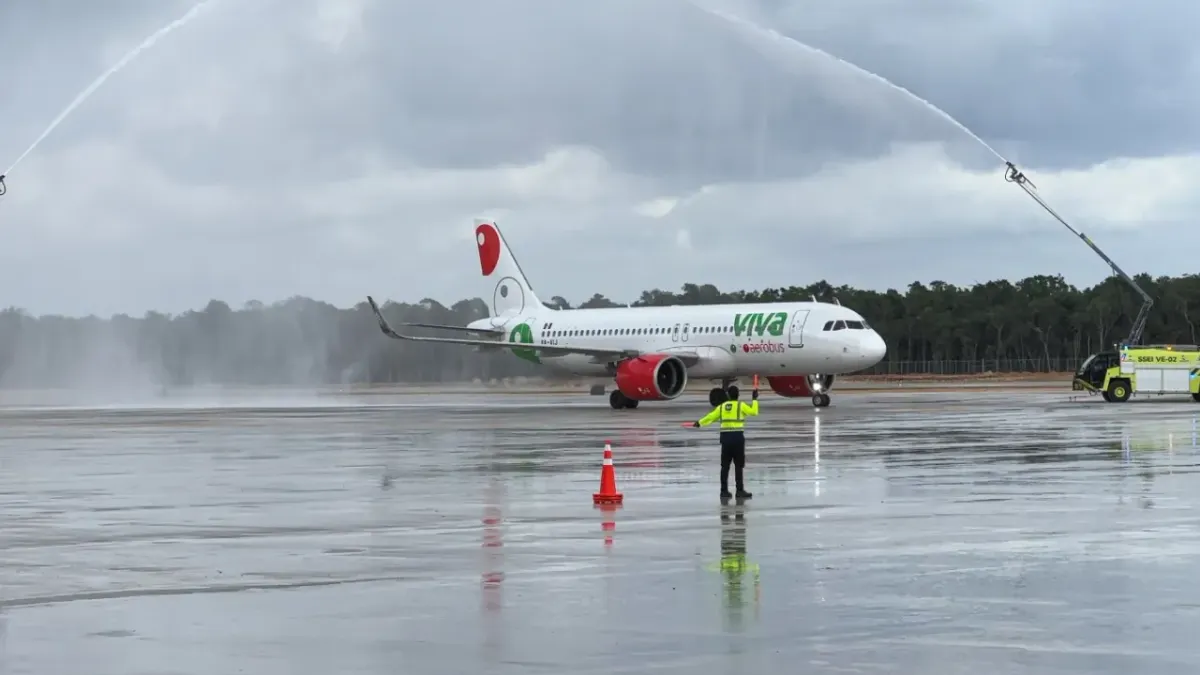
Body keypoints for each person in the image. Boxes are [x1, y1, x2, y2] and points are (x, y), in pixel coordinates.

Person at [693, 380, 758, 500]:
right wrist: (754, 400)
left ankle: (724, 491)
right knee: (738, 466)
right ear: (738, 396)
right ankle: (739, 491)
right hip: (737, 438)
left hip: (725, 439)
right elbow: (754, 412)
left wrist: (699, 423)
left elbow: (710, 417)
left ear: (728, 395)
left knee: (725, 466)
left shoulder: (722, 407)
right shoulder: (741, 406)